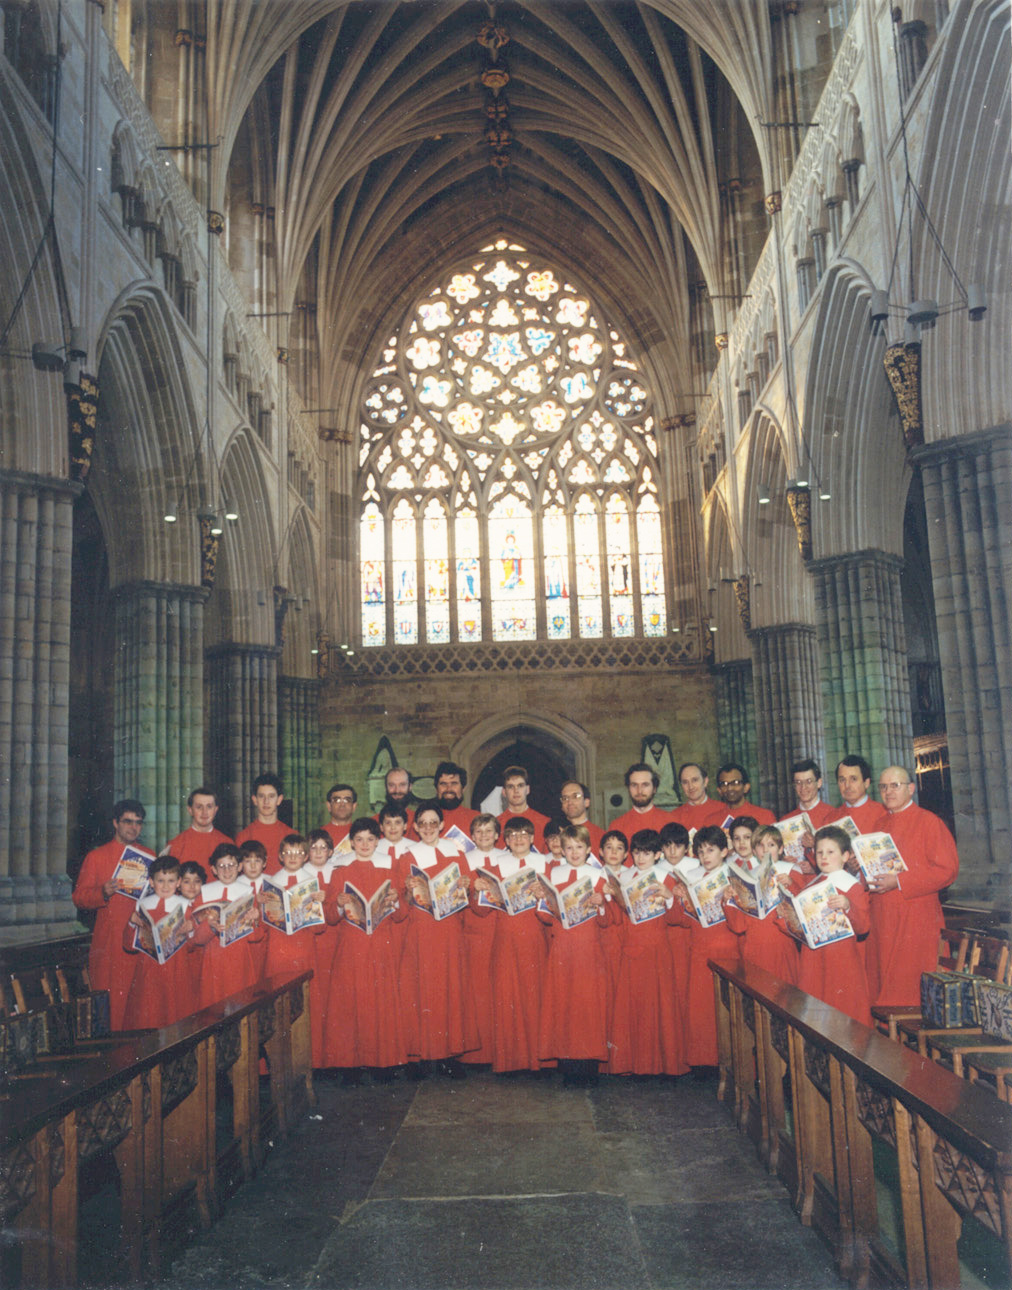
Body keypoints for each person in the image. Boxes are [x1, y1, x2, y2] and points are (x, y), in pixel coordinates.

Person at [864, 766, 959, 1008]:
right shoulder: (878, 825)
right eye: (883, 787)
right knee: (883, 984)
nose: (888, 791)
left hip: (915, 920)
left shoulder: (929, 822)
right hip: (883, 919)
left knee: (910, 991)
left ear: (911, 788)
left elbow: (947, 870)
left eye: (895, 785)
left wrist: (899, 881)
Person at [322, 817, 409, 1081]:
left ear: (377, 840)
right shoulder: (340, 870)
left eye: (370, 839)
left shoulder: (390, 867)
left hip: (381, 942)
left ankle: (382, 1063)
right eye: (359, 839)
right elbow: (330, 916)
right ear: (351, 842)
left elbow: (401, 914)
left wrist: (395, 901)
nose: (364, 844)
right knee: (351, 1004)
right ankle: (351, 1065)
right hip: (352, 943)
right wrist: (338, 903)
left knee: (380, 1003)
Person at [400, 801, 479, 1076]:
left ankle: (451, 1054)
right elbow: (401, 900)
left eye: (434, 823)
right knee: (423, 990)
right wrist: (408, 891)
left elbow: (467, 889)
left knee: (451, 988)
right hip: (421, 930)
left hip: (449, 929)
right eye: (423, 824)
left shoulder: (455, 851)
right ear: (415, 827)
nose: (429, 828)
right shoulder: (408, 855)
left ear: (443, 826)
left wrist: (466, 886)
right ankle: (425, 1055)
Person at [471, 816, 551, 1074]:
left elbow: (553, 908)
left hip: (533, 934)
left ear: (532, 838)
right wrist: (478, 891)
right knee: (507, 997)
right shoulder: (496, 864)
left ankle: (537, 1060)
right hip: (505, 936)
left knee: (534, 995)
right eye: (513, 835)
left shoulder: (544, 864)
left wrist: (543, 897)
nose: (518, 839)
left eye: (524, 834)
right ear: (505, 839)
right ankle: (510, 1061)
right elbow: (481, 912)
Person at [537, 823, 613, 1085]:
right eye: (568, 847)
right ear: (561, 849)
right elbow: (544, 916)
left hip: (588, 946)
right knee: (563, 1002)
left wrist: (601, 904)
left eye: (579, 847)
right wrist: (544, 901)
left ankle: (588, 1065)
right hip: (563, 946)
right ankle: (567, 1064)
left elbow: (607, 921)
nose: (574, 852)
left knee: (587, 1004)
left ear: (589, 849)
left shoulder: (598, 875)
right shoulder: (553, 873)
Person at [608, 829, 689, 1077]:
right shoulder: (625, 875)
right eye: (636, 852)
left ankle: (662, 1065)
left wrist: (669, 898)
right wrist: (613, 897)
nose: (640, 858)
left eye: (646, 853)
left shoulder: (667, 876)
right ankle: (630, 1064)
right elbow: (618, 916)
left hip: (656, 947)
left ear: (657, 854)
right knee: (633, 1006)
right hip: (632, 945)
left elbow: (677, 919)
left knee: (660, 1005)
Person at [72, 799, 154, 1030]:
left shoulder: (149, 856)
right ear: (115, 823)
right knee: (112, 1008)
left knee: (139, 1006)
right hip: (110, 943)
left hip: (140, 939)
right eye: (128, 821)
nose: (133, 827)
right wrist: (102, 892)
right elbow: (79, 897)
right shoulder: (97, 857)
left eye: (138, 823)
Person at [778, 826, 872, 1025]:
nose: (823, 857)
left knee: (842, 1013)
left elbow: (863, 927)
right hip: (813, 958)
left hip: (840, 959)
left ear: (846, 856)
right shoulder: (812, 883)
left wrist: (848, 906)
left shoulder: (852, 885)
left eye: (831, 852)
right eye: (819, 852)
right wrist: (786, 917)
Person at [669, 825, 742, 1070]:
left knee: (726, 1008)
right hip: (700, 947)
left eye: (711, 850)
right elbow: (680, 921)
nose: (705, 856)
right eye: (700, 852)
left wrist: (730, 899)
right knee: (701, 1008)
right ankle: (704, 1062)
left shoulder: (734, 876)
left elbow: (741, 923)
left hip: (727, 946)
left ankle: (730, 1063)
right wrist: (679, 899)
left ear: (724, 851)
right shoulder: (692, 878)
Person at [121, 856, 196, 1030]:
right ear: (151, 882)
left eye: (170, 881)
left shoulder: (184, 906)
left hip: (176, 969)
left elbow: (192, 946)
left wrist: (190, 930)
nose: (165, 886)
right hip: (149, 970)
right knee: (148, 1014)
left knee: (175, 1013)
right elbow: (127, 945)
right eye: (160, 881)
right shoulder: (142, 905)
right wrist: (132, 922)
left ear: (178, 882)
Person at [723, 825, 798, 985]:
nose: (765, 850)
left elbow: (801, 916)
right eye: (760, 846)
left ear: (780, 849)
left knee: (785, 995)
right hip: (754, 946)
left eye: (771, 845)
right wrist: (729, 901)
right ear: (754, 851)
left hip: (781, 944)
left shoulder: (791, 871)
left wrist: (792, 885)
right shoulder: (747, 877)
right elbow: (738, 926)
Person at [190, 843, 261, 1009]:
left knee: (240, 1007)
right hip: (213, 960)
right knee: (213, 1007)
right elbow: (196, 939)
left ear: (240, 867)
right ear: (214, 870)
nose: (227, 871)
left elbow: (256, 937)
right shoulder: (204, 894)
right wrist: (211, 927)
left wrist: (255, 920)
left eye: (231, 865)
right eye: (221, 866)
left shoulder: (248, 893)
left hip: (239, 959)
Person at [260, 834, 326, 983]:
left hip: (303, 943)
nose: (293, 857)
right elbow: (263, 926)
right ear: (280, 856)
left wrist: (319, 904)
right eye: (287, 853)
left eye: (298, 853)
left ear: (306, 857)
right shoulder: (271, 883)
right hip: (278, 945)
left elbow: (320, 928)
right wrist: (261, 905)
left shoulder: (312, 882)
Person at [163, 788, 233, 868]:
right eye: (199, 807)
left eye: (209, 807)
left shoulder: (227, 843)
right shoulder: (176, 845)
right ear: (190, 810)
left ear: (215, 810)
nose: (204, 812)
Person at [236, 774, 291, 874]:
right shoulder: (243, 837)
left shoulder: (291, 835)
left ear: (279, 800)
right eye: (261, 796)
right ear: (255, 800)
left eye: (271, 796)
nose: (266, 801)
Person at [608, 764, 674, 837]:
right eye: (634, 785)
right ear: (628, 789)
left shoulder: (670, 821)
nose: (639, 791)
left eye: (645, 785)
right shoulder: (616, 826)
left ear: (654, 789)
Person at [497, 766, 550, 850]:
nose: (516, 790)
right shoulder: (496, 825)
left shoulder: (545, 823)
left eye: (520, 786)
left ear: (528, 789)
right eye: (511, 786)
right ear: (504, 792)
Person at [670, 763, 727, 832]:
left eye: (695, 780)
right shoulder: (674, 816)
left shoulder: (724, 809)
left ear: (705, 782)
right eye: (685, 782)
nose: (690, 787)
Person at [432, 761, 480, 840]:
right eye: (443, 784)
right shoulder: (425, 820)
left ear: (463, 788)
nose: (448, 789)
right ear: (436, 789)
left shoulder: (476, 818)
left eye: (454, 784)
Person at [832, 756, 881, 832]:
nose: (847, 785)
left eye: (853, 779)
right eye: (842, 780)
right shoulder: (831, 819)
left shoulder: (882, 813)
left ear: (866, 783)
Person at [558, 781, 604, 853]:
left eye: (575, 796)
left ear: (586, 802)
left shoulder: (600, 836)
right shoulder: (555, 836)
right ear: (562, 806)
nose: (570, 802)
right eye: (565, 798)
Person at [322, 784, 357, 848]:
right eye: (337, 800)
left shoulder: (362, 834)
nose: (342, 804)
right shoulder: (319, 835)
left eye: (347, 800)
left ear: (354, 806)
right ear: (329, 806)